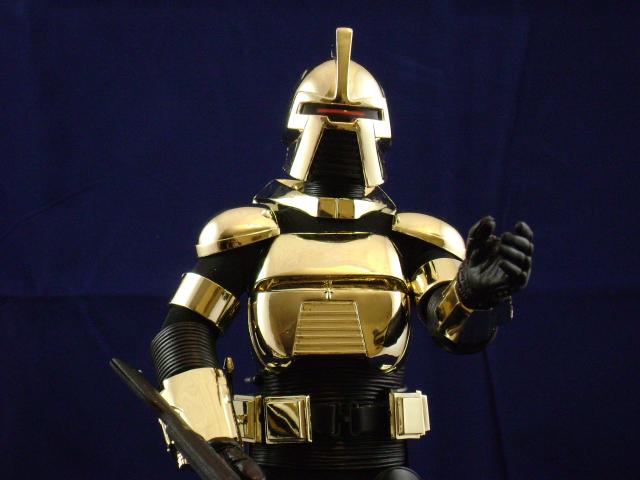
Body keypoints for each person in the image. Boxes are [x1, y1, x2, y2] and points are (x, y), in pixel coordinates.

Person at [150, 27, 533, 480]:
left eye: (357, 115)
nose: (342, 126)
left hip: (380, 462)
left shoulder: (411, 237)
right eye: (325, 113)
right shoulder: (251, 234)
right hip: (277, 464)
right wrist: (217, 444)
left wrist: (472, 295)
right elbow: (183, 330)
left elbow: (452, 329)